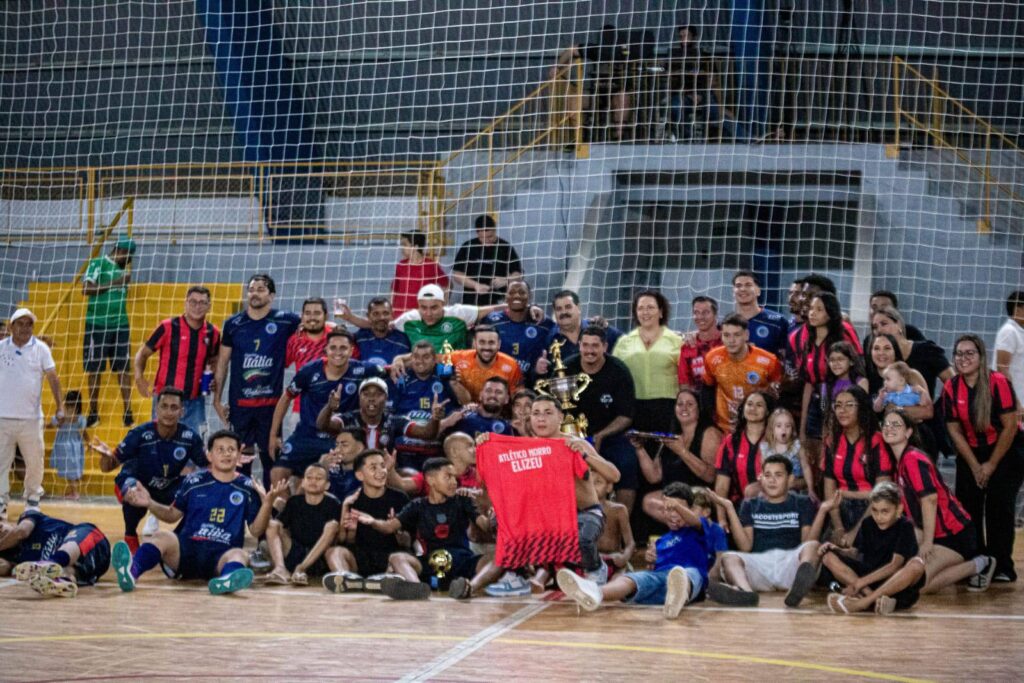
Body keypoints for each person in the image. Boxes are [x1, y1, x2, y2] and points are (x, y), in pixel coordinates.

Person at [111, 429, 272, 595]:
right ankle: (131, 572)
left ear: (239, 455)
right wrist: (149, 503)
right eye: (220, 450)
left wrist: (267, 504)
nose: (226, 454)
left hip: (221, 557)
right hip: (184, 553)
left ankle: (226, 580)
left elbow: (256, 530)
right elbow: (172, 515)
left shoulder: (248, 487)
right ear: (209, 456)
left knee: (240, 555)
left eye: (231, 450)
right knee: (161, 536)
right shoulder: (193, 481)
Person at [557, 481, 712, 619]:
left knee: (685, 574)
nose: (673, 514)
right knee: (632, 578)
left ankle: (678, 596)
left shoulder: (697, 528)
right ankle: (595, 592)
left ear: (690, 509)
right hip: (660, 582)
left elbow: (695, 521)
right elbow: (652, 570)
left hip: (691, 582)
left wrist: (676, 504)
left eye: (678, 509)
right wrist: (650, 561)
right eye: (668, 509)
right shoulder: (660, 542)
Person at [351, 457, 500, 599]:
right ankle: (416, 587)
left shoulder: (463, 500)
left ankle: (468, 588)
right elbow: (390, 527)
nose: (454, 482)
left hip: (462, 562)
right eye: (448, 477)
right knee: (396, 558)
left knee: (499, 557)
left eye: (455, 478)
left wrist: (492, 520)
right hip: (431, 563)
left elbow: (484, 525)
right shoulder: (417, 505)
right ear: (431, 480)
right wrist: (372, 521)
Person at [884, 408, 997, 595]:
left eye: (896, 424)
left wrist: (927, 542)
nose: (890, 428)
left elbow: (929, 500)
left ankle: (980, 564)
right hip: (937, 535)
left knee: (918, 585)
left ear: (909, 432)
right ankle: (950, 567)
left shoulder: (912, 458)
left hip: (955, 536)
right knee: (911, 578)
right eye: (886, 424)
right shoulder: (900, 463)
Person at [943, 334, 1024, 583]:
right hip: (971, 452)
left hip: (1006, 449)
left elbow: (1011, 426)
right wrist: (976, 465)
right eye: (959, 353)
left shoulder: (998, 382)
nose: (963, 358)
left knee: (999, 505)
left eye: (970, 353)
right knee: (969, 505)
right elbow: (954, 429)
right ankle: (976, 562)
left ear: (981, 357)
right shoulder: (951, 387)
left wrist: (990, 465)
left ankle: (1002, 566)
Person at [706, 455, 830, 607]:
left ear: (790, 479)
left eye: (778, 475)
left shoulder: (802, 502)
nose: (772, 480)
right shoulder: (750, 505)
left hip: (790, 563)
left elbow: (807, 542)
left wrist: (822, 511)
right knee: (728, 557)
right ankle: (746, 593)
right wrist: (730, 508)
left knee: (813, 546)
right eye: (767, 475)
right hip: (760, 564)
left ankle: (797, 589)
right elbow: (745, 546)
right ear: (761, 479)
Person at [213, 274, 301, 486]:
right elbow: (223, 363)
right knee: (240, 457)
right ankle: (242, 502)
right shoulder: (233, 324)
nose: (255, 293)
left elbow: (314, 323)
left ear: (271, 295)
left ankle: (270, 509)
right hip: (240, 404)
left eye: (261, 289)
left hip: (270, 405)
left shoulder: (285, 320)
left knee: (270, 455)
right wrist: (217, 400)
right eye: (252, 289)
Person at [524, 395, 622, 584]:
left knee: (582, 539)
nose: (541, 418)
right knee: (503, 522)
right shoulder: (528, 448)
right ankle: (517, 575)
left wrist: (585, 455)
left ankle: (596, 570)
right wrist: (486, 442)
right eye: (536, 414)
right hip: (551, 518)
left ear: (560, 417)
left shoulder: (577, 444)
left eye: (547, 413)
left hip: (586, 513)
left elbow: (614, 476)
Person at [269, 329, 386, 486]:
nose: (338, 352)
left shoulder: (362, 370)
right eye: (333, 348)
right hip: (306, 436)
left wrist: (399, 362)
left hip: (337, 438)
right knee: (277, 474)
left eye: (343, 348)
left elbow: (389, 370)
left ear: (351, 350)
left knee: (323, 480)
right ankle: (285, 508)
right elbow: (286, 399)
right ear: (326, 350)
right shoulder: (309, 371)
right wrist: (273, 435)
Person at [94, 386, 205, 552]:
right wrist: (105, 457)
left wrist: (229, 461)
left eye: (174, 407)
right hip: (137, 483)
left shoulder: (190, 438)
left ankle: (178, 540)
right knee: (132, 489)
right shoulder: (139, 434)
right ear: (156, 409)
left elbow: (207, 465)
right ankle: (130, 536)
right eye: (164, 406)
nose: (168, 412)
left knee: (198, 494)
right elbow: (107, 468)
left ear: (182, 412)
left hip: (167, 487)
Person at [821, 481, 924, 615]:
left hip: (896, 586)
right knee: (828, 557)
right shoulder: (867, 523)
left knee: (917, 564)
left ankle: (863, 602)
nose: (879, 517)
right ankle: (877, 601)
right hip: (869, 582)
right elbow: (857, 553)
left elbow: (895, 565)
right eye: (875, 510)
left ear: (898, 509)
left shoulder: (905, 526)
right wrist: (837, 550)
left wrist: (860, 583)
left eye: (885, 511)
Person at [327, 449, 419, 598]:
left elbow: (408, 543)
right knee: (334, 552)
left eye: (383, 466)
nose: (381, 471)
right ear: (359, 475)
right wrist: (351, 531)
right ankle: (345, 580)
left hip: (391, 557)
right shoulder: (352, 499)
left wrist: (396, 531)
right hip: (362, 559)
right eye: (373, 467)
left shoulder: (399, 498)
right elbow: (345, 541)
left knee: (398, 559)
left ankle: (408, 586)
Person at [564, 327, 638, 511]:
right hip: (573, 437)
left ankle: (622, 525)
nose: (590, 350)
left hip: (611, 437)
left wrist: (600, 436)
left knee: (628, 464)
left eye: (595, 346)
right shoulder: (565, 369)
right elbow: (557, 410)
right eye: (585, 345)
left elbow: (626, 416)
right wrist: (577, 440)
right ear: (579, 346)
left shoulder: (619, 371)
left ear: (605, 346)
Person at [0, 308, 64, 515]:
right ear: (11, 327)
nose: (25, 328)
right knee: (1, 462)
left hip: (31, 419)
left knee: (35, 462)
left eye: (29, 324)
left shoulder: (42, 349)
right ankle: (1, 502)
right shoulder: (1, 348)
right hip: (2, 417)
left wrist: (60, 406)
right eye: (21, 323)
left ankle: (33, 499)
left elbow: (53, 378)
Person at [134, 285, 220, 432]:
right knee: (161, 445)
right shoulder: (168, 327)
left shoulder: (213, 333)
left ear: (209, 306)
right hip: (165, 401)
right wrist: (138, 376)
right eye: (193, 302)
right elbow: (143, 353)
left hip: (195, 403)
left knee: (194, 447)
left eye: (202, 303)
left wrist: (213, 378)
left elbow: (215, 359)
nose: (197, 306)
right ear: (185, 303)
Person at [635, 388, 722, 524]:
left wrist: (682, 452)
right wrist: (639, 448)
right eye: (679, 404)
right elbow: (654, 476)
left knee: (681, 508)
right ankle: (684, 532)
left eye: (690, 404)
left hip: (699, 494)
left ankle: (688, 533)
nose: (684, 408)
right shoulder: (672, 435)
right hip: (676, 495)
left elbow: (710, 476)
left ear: (700, 409)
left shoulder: (710, 433)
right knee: (649, 502)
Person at [796, 292, 862, 474]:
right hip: (819, 400)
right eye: (811, 309)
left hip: (838, 400)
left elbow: (858, 368)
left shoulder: (844, 333)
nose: (812, 313)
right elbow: (809, 383)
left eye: (819, 309)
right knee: (813, 456)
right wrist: (802, 426)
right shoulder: (806, 338)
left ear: (830, 313)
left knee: (833, 451)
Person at [822, 387, 893, 544]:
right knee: (823, 552)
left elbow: (881, 492)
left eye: (849, 404)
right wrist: (839, 528)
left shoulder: (876, 440)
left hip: (872, 509)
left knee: (858, 552)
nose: (842, 410)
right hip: (839, 510)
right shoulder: (831, 441)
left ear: (861, 408)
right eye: (838, 405)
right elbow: (829, 491)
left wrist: (855, 532)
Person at [82, 236, 135, 427]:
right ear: (120, 251)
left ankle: (128, 411)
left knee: (123, 367)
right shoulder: (98, 263)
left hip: (120, 324)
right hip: (97, 324)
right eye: (128, 256)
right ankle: (93, 411)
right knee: (94, 368)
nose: (129, 261)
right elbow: (86, 289)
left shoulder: (124, 271)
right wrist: (116, 282)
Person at [0, 508, 110, 598]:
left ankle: (51, 562)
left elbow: (21, 532)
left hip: (92, 539)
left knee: (69, 545)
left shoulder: (28, 516)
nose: (2, 530)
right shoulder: (12, 557)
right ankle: (62, 582)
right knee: (67, 571)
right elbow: (4, 567)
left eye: (0, 526)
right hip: (93, 568)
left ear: (5, 520)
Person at [613, 291, 682, 433]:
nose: (645, 312)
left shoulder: (677, 341)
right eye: (640, 308)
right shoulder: (624, 342)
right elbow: (615, 377)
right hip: (633, 409)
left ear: (661, 312)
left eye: (650, 307)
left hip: (667, 408)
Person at [702, 313, 782, 433]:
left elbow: (777, 395)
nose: (731, 341)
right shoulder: (712, 358)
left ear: (746, 335)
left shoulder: (768, 361)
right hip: (724, 428)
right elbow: (707, 389)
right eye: (726, 335)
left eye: (737, 335)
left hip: (758, 428)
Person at [264, 464, 342, 586]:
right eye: (309, 478)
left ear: (327, 485)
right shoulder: (294, 501)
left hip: (319, 558)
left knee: (332, 525)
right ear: (303, 483)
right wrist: (269, 503)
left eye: (318, 478)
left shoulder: (333, 504)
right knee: (272, 524)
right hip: (295, 552)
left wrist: (302, 566)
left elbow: (337, 535)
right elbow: (276, 527)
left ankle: (301, 569)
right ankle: (280, 569)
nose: (313, 481)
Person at [318, 377, 443, 453]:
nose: (371, 398)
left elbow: (428, 433)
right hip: (352, 473)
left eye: (378, 394)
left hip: (383, 473)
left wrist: (435, 418)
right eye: (366, 394)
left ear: (386, 398)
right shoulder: (348, 419)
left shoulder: (394, 421)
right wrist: (329, 407)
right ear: (359, 398)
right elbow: (322, 425)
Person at [390, 340, 462, 469]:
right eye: (416, 357)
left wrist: (455, 383)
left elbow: (465, 402)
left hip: (435, 450)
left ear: (435, 359)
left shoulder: (445, 375)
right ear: (411, 359)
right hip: (404, 450)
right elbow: (391, 419)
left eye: (426, 357)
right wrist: (398, 359)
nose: (420, 361)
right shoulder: (401, 378)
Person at [387, 284, 502, 351]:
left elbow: (492, 309)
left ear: (443, 304)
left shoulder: (458, 314)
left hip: (454, 371)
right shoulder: (409, 319)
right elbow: (385, 326)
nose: (428, 313)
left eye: (434, 307)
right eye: (423, 308)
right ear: (418, 306)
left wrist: (515, 305)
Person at [281, 297, 335, 436]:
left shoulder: (335, 337)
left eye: (317, 313)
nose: (312, 317)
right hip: (301, 409)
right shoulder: (294, 340)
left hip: (333, 409)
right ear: (302, 316)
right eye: (308, 313)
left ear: (326, 315)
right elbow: (283, 364)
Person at [870, 306, 952, 398]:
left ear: (899, 325)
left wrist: (940, 408)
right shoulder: (878, 358)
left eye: (884, 324)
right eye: (875, 327)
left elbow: (953, 382)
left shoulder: (926, 350)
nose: (879, 330)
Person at [713, 391, 773, 511]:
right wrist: (722, 519)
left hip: (772, 508)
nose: (753, 408)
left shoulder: (775, 440)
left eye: (759, 405)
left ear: (767, 412)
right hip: (739, 509)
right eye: (749, 404)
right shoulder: (730, 441)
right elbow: (722, 486)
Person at [482, 281, 556, 377]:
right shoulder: (491, 321)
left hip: (532, 383)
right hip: (497, 381)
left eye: (522, 292)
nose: (516, 295)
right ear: (506, 297)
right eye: (511, 292)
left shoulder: (543, 323)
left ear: (529, 296)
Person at [451, 215, 524, 306]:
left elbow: (518, 274)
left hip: (499, 299)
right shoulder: (468, 247)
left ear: (495, 230)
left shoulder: (505, 247)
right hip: (472, 301)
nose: (487, 241)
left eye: (490, 236)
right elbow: (457, 275)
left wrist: (506, 280)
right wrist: (475, 285)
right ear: (478, 233)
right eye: (483, 238)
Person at [448, 325, 523, 402]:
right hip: (464, 410)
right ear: (474, 343)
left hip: (497, 411)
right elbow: (435, 358)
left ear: (499, 344)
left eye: (491, 343)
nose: (486, 347)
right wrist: (450, 377)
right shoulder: (456, 358)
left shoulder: (511, 365)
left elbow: (517, 398)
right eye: (482, 342)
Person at [546, 290, 623, 359]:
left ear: (579, 308)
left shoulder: (600, 329)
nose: (563, 312)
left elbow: (627, 344)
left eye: (568, 307)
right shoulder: (548, 340)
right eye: (559, 309)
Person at [437, 377, 516, 439]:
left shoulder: (507, 428)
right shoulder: (461, 414)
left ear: (506, 399)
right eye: (488, 391)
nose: (493, 395)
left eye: (498, 392)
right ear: (481, 395)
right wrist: (445, 423)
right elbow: (430, 437)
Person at [731, 271, 788, 358]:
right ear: (733, 292)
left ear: (758, 291)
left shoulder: (778, 322)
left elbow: (787, 358)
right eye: (738, 286)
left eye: (748, 285)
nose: (742, 289)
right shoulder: (727, 324)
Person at [391, 231, 449, 316]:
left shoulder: (430, 265)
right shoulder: (401, 265)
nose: (402, 248)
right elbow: (394, 290)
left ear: (415, 247)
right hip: (399, 314)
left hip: (421, 315)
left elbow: (447, 285)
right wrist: (391, 309)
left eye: (405, 245)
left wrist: (442, 306)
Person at [677, 296, 722, 398]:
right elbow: (684, 384)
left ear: (715, 315)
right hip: (699, 406)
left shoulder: (727, 343)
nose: (700, 317)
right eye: (696, 312)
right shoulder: (688, 346)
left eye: (705, 312)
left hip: (725, 404)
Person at [759, 407, 811, 494]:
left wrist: (811, 489)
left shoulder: (797, 447)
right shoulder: (766, 449)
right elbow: (764, 471)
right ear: (772, 429)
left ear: (792, 429)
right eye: (779, 426)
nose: (784, 430)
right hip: (774, 486)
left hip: (794, 486)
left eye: (788, 426)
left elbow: (806, 468)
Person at [352, 298, 411, 368]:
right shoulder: (360, 337)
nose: (381, 317)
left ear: (392, 315)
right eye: (376, 314)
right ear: (368, 316)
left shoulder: (403, 340)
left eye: (385, 313)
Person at [50, 390, 87, 500]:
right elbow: (84, 432)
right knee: (72, 468)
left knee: (69, 469)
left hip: (63, 444)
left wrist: (43, 425)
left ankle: (75, 493)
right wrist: (88, 443)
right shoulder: (80, 417)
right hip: (75, 444)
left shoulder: (62, 416)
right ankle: (73, 491)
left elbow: (54, 424)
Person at [993, 290, 1024, 422]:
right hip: (1010, 404)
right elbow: (1002, 368)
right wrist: (1015, 402)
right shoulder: (1009, 331)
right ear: (1017, 309)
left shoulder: (1019, 332)